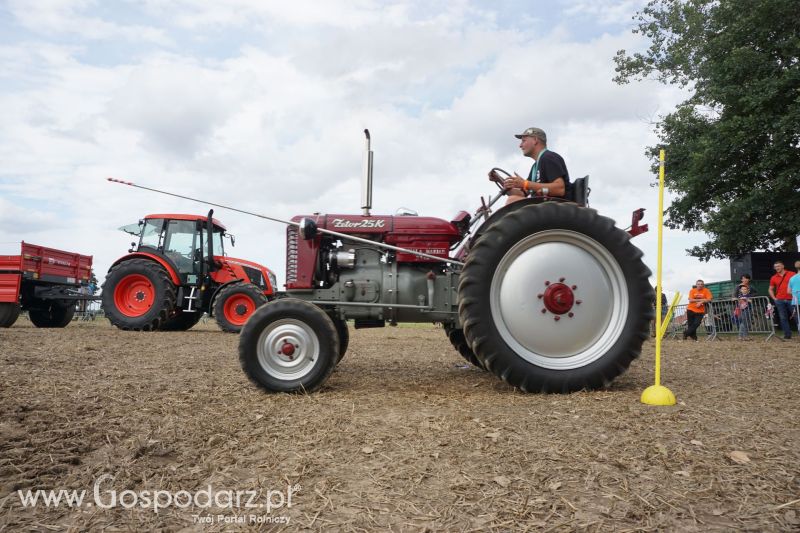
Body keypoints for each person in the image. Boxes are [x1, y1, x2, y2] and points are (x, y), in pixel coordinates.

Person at [492, 127, 571, 205]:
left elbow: (560, 189)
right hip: (545, 205)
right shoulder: (535, 166)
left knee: (512, 200)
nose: (520, 145)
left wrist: (525, 184)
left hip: (558, 207)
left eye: (524, 141)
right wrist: (499, 179)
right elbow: (522, 194)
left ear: (535, 140)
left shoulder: (548, 157)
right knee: (513, 200)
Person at [768, 260, 796, 340]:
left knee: (796, 316)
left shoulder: (792, 274)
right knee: (783, 318)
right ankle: (787, 335)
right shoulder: (773, 277)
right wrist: (774, 298)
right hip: (779, 300)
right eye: (775, 267)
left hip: (792, 299)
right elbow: (770, 289)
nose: (777, 268)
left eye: (778, 266)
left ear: (783, 266)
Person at [788, 264, 800, 332]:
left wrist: (796, 293)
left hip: (796, 301)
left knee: (798, 319)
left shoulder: (792, 278)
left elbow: (788, 291)